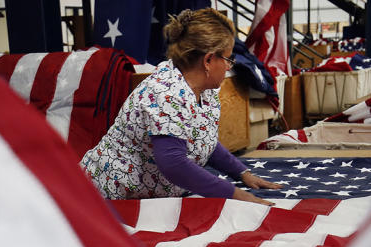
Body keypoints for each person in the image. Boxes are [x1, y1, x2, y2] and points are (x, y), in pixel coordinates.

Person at [80, 9, 281, 203]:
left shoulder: (205, 89)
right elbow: (173, 164)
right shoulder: (165, 93)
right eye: (228, 59)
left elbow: (203, 140)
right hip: (107, 197)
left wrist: (241, 172)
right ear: (209, 60)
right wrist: (235, 194)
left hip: (148, 197)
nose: (229, 66)